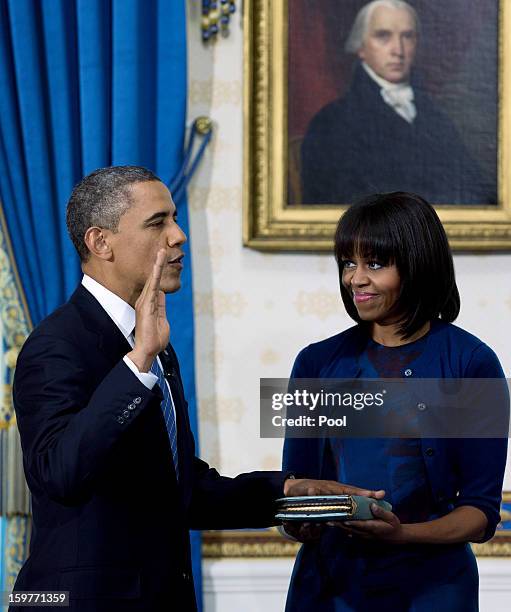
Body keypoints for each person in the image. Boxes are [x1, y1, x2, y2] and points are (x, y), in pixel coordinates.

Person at [10, 166, 370, 612]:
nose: (178, 236)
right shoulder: (58, 344)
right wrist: (138, 363)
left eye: (175, 219)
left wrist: (287, 491)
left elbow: (180, 492)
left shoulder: (155, 346)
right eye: (157, 222)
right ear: (100, 242)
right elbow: (58, 472)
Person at [282, 191, 508, 611]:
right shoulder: (315, 362)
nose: (356, 279)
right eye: (349, 263)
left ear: (418, 265)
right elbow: (295, 487)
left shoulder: (472, 363)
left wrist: (402, 534)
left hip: (434, 588)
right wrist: (300, 523)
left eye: (375, 263)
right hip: (331, 587)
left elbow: (481, 513)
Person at [301, 0, 493, 205]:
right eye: (383, 36)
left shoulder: (435, 115)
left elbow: (473, 186)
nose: (398, 50)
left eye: (407, 36)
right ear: (361, 47)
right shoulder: (331, 122)